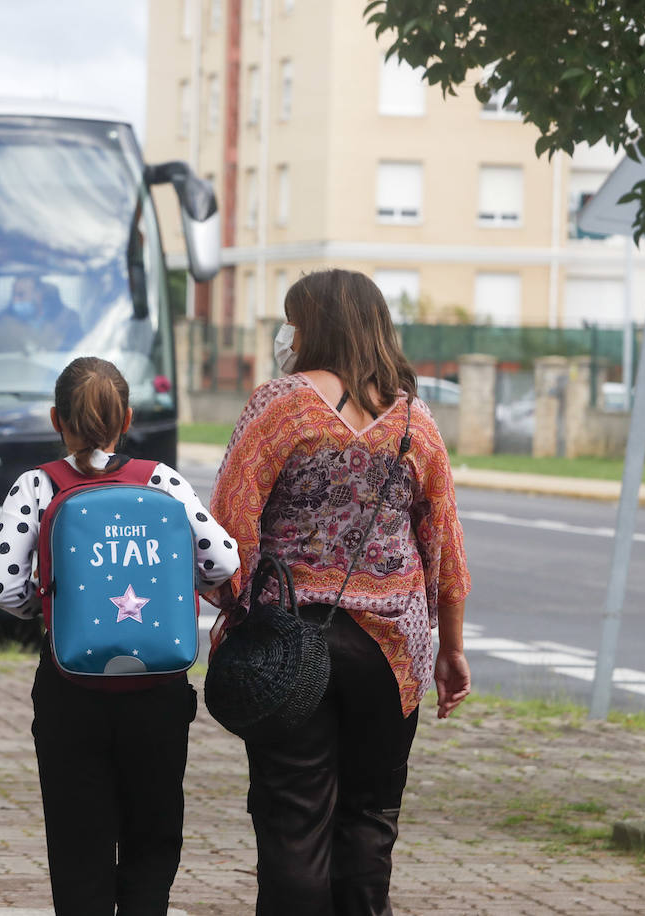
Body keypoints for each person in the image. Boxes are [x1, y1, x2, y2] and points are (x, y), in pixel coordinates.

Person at [205, 268, 471, 916]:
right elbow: (445, 547)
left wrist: (235, 611)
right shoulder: (415, 419)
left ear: (314, 326)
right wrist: (450, 650)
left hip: (290, 645)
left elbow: (230, 527)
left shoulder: (281, 406)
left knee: (294, 820)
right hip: (391, 654)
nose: (289, 333)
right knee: (371, 817)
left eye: (294, 320)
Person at [0, 356, 238, 916]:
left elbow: (3, 586)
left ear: (56, 419)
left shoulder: (37, 487)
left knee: (78, 837)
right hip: (158, 687)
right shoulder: (160, 481)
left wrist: (48, 608)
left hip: (70, 689)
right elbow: (221, 559)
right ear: (126, 418)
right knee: (153, 828)